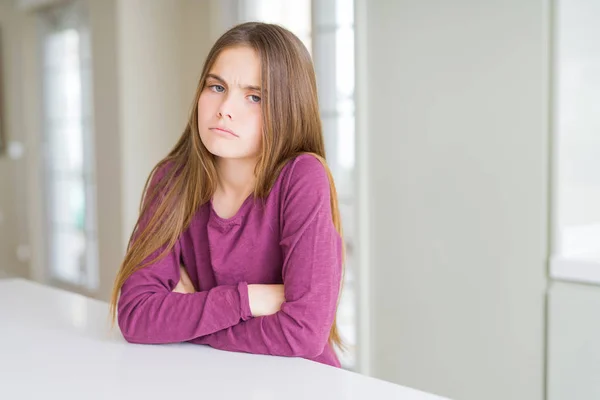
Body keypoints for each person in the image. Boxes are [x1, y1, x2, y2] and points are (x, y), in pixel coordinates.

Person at [109, 22, 345, 367]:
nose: (224, 109)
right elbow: (136, 315)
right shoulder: (172, 180)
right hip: (214, 378)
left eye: (254, 96)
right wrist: (248, 301)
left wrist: (186, 321)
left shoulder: (302, 177)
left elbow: (303, 333)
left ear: (288, 108)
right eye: (216, 87)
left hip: (301, 382)